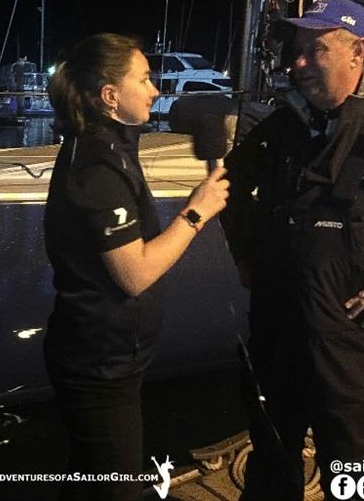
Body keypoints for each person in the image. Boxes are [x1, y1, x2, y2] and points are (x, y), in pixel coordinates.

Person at [220, 0, 364, 500]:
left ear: (358, 52)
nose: (297, 63)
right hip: (277, 337)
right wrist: (244, 253)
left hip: (353, 348)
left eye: (315, 49)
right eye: (295, 51)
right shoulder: (283, 129)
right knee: (270, 465)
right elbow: (227, 187)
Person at [43, 33, 230, 500]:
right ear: (110, 96)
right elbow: (135, 274)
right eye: (144, 79)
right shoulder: (97, 167)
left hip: (106, 355)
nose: (155, 89)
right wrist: (196, 211)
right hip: (98, 364)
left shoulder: (109, 147)